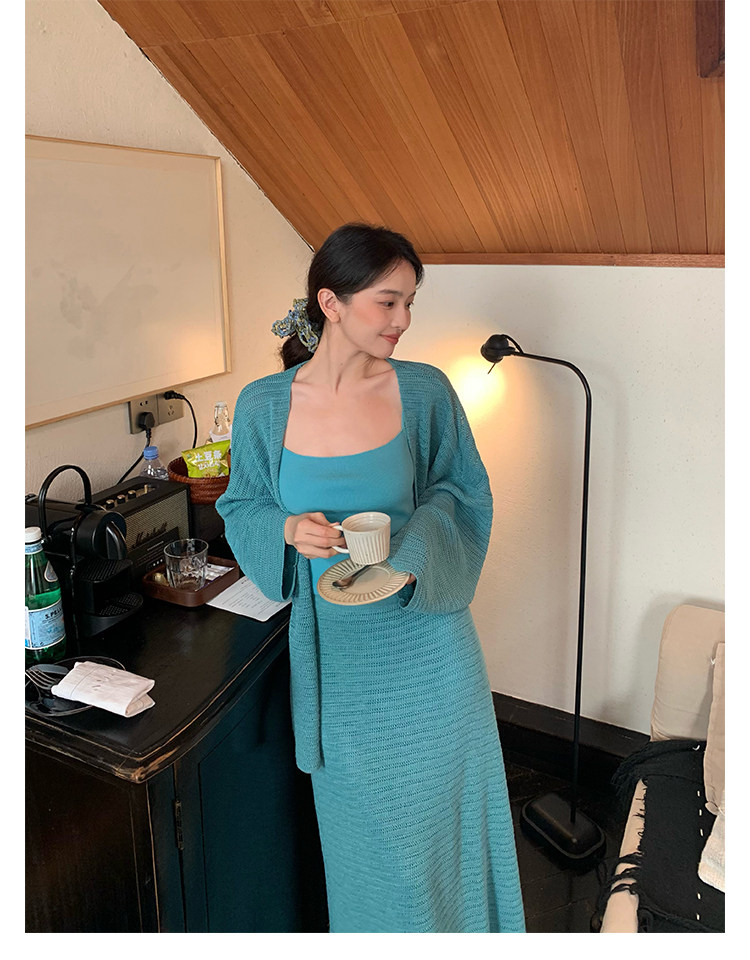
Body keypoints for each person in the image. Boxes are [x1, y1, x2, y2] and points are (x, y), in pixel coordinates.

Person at [216, 223, 525, 933]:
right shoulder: (265, 405)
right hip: (340, 661)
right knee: (370, 845)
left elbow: (462, 493)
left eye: (410, 302)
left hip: (431, 643)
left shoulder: (425, 391)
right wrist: (286, 529)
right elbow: (242, 504)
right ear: (331, 302)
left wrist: (413, 550)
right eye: (388, 302)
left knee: (447, 825)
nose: (403, 320)